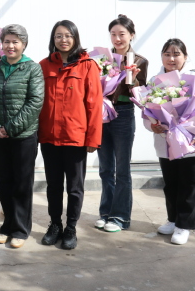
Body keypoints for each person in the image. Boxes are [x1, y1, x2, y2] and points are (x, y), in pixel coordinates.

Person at [38, 20, 102, 250]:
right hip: (49, 137)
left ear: (75, 38)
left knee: (75, 188)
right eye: (58, 36)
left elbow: (94, 104)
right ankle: (55, 225)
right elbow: (37, 101)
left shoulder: (87, 66)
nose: (63, 40)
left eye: (67, 35)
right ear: (53, 39)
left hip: (75, 138)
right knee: (53, 186)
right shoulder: (44, 65)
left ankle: (71, 228)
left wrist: (93, 139)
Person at [0, 25, 44, 248]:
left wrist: (10, 128)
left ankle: (20, 229)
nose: (10, 46)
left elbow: (35, 102)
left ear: (24, 45)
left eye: (15, 42)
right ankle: (7, 226)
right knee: (3, 181)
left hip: (23, 136)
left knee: (21, 183)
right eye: (7, 41)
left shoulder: (32, 68)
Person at [96, 15, 148, 233]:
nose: (117, 38)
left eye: (122, 34)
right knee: (105, 168)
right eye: (113, 34)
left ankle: (120, 217)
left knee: (122, 170)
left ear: (131, 35)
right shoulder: (102, 59)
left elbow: (140, 94)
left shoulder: (139, 61)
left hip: (124, 114)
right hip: (102, 113)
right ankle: (106, 212)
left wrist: (132, 78)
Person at [146, 39, 194, 245]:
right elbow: (147, 111)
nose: (171, 58)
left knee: (187, 183)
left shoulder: (192, 79)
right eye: (167, 54)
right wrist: (152, 126)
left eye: (176, 54)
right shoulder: (154, 81)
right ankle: (173, 219)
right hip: (164, 139)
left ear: (185, 57)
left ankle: (184, 225)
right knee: (170, 183)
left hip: (188, 140)